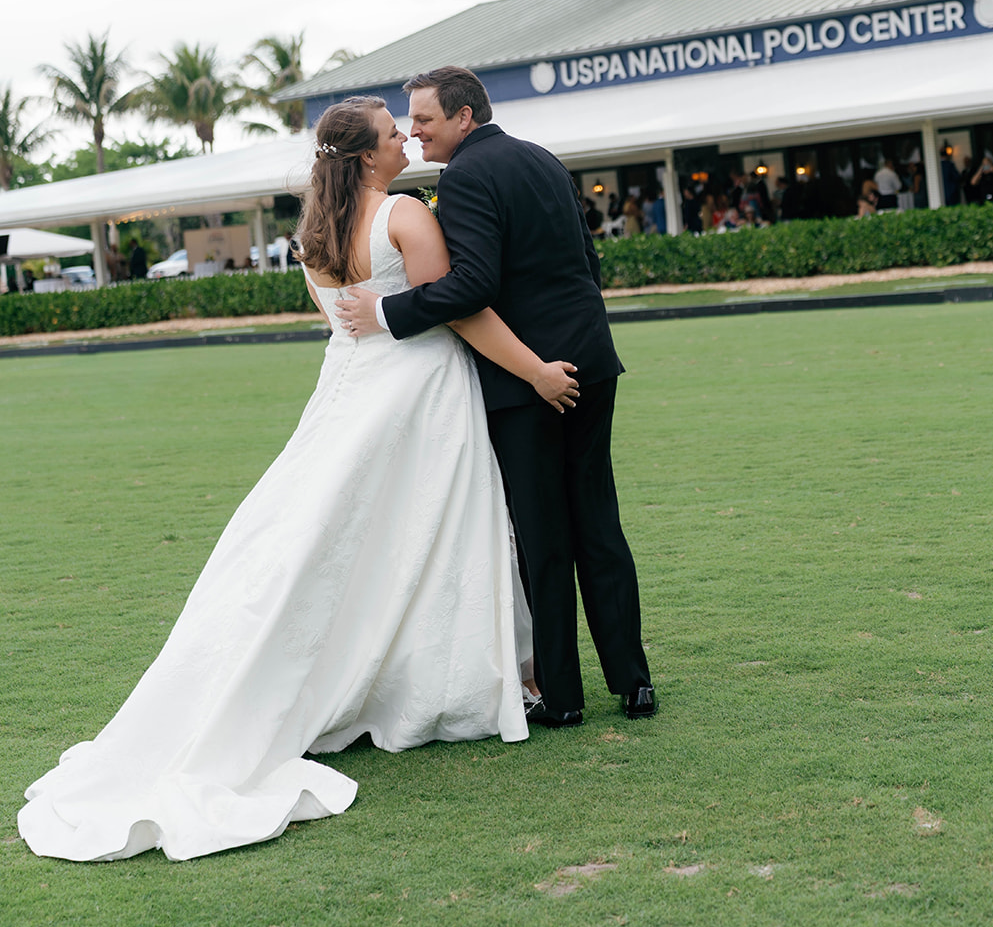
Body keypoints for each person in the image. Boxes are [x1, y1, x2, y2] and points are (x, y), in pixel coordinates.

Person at [20, 96, 581, 863]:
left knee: (339, 531)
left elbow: (343, 327)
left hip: (349, 394)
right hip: (419, 396)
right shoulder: (407, 216)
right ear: (367, 157)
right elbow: (460, 312)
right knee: (428, 530)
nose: (406, 141)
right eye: (392, 135)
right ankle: (440, 676)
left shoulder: (311, 234)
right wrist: (536, 372)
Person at [337, 66, 655, 730]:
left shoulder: (467, 179)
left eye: (423, 119)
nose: (416, 132)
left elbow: (471, 287)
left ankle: (563, 698)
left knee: (543, 536)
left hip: (528, 378)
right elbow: (585, 267)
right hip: (591, 362)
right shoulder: (541, 158)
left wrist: (389, 312)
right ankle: (633, 683)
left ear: (464, 117)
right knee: (598, 523)